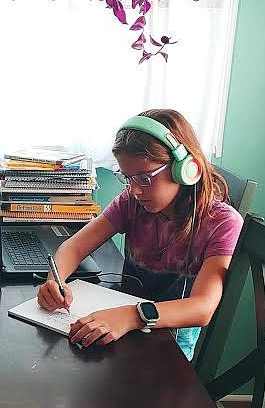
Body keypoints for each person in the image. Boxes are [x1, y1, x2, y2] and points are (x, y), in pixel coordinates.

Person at [37, 109, 244, 360]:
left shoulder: (222, 223)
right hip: (120, 331)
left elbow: (202, 307)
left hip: (167, 352)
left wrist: (131, 315)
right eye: (127, 178)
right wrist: (54, 281)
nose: (134, 190)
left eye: (145, 178)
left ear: (185, 169)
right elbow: (74, 248)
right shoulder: (131, 203)